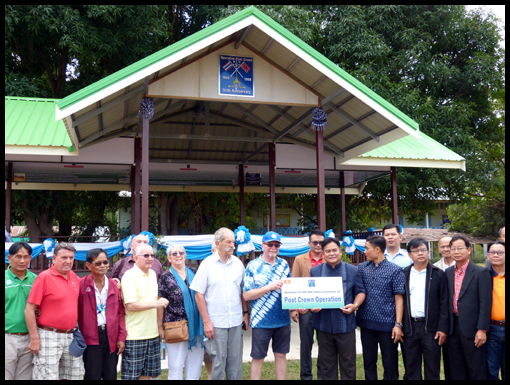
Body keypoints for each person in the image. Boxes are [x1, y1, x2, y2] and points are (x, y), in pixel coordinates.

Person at [190, 227, 250, 381]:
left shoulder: (238, 264)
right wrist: (206, 322)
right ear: (217, 243)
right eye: (228, 242)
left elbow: (243, 291)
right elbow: (198, 294)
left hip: (236, 321)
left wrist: (245, 314)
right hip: (216, 323)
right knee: (217, 363)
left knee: (236, 363)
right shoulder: (207, 264)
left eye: (233, 242)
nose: (232, 245)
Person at [25, 242, 85, 380]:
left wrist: (114, 282)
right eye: (64, 257)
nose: (68, 261)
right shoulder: (44, 277)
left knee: (73, 375)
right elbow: (29, 309)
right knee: (47, 376)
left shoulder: (74, 277)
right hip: (48, 335)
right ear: (54, 258)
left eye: (71, 258)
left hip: (71, 336)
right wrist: (34, 338)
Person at [310, 237, 366, 380]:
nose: (331, 253)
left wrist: (355, 305)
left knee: (348, 364)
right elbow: (312, 295)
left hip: (345, 324)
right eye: (327, 251)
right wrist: (312, 306)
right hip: (323, 324)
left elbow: (361, 291)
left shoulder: (353, 270)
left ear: (340, 252)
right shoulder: (315, 271)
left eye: (334, 250)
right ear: (323, 253)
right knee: (326, 365)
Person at [243, 231, 292, 380]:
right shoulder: (252, 266)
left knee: (281, 355)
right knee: (258, 357)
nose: (273, 247)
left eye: (276, 245)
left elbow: (291, 291)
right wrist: (269, 287)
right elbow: (246, 295)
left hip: (283, 319)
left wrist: (298, 305)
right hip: (260, 321)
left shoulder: (284, 264)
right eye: (270, 244)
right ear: (262, 246)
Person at [356, 235, 405, 380]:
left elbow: (399, 298)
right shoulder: (362, 268)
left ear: (377, 249)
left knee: (390, 362)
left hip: (388, 325)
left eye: (366, 248)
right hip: (366, 323)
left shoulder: (395, 270)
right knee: (369, 362)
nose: (364, 251)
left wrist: (398, 324)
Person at [445, 234, 492, 380]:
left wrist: (482, 329)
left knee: (475, 368)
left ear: (469, 250)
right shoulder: (447, 273)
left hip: (473, 328)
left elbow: (485, 303)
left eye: (460, 248)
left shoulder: (481, 272)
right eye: (453, 249)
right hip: (452, 327)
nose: (456, 252)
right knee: (456, 367)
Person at [121, 244, 169, 380]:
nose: (150, 258)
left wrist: (159, 326)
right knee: (131, 376)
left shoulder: (153, 273)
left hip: (152, 333)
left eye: (152, 255)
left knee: (147, 375)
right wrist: (157, 304)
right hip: (135, 334)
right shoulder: (129, 276)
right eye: (146, 255)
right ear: (135, 258)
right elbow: (130, 305)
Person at [402, 238, 449, 380]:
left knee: (432, 367)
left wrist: (442, 328)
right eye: (415, 251)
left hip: (431, 328)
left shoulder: (438, 274)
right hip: (409, 327)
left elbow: (444, 302)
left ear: (428, 252)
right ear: (409, 255)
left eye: (423, 250)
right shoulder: (404, 274)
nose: (420, 253)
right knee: (411, 368)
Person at [78, 248, 127, 380]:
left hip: (111, 336)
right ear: (88, 265)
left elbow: (120, 313)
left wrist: (122, 337)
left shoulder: (114, 285)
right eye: (98, 263)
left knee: (110, 374)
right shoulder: (81, 284)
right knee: (92, 374)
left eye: (105, 262)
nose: (103, 266)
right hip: (91, 337)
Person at [157, 244, 204, 380]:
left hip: (195, 325)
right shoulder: (165, 277)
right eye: (174, 253)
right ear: (169, 258)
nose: (178, 255)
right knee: (176, 365)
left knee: (195, 365)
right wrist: (160, 326)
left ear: (185, 255)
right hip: (175, 326)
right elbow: (161, 303)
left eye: (181, 253)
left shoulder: (195, 273)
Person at [290, 229, 324, 380]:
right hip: (305, 308)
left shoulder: (330, 257)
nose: (318, 245)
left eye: (321, 242)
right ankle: (306, 376)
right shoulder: (299, 259)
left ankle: (323, 375)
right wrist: (293, 308)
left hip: (325, 308)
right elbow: (294, 282)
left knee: (325, 344)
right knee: (306, 344)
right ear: (309, 243)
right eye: (315, 242)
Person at [5, 242, 37, 380]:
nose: (22, 261)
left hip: (30, 338)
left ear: (30, 258)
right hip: (7, 338)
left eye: (26, 257)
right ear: (9, 258)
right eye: (18, 256)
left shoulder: (36, 280)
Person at [433, 236, 454, 379]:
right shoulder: (434, 268)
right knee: (445, 355)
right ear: (438, 248)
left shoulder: (464, 267)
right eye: (442, 246)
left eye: (449, 246)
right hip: (441, 317)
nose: (446, 249)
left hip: (460, 317)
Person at [486, 241, 505, 380]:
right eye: (493, 252)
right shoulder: (482, 276)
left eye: (500, 252)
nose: (496, 255)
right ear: (488, 256)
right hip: (491, 329)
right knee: (490, 371)